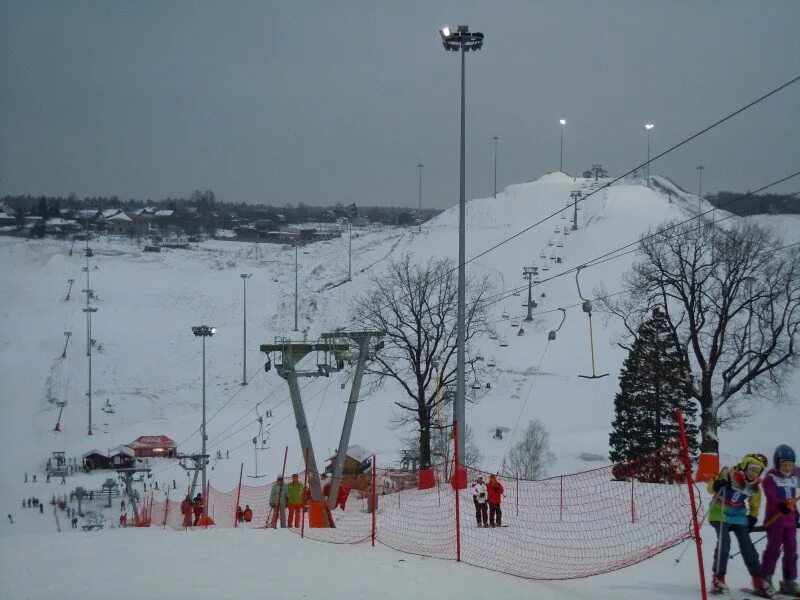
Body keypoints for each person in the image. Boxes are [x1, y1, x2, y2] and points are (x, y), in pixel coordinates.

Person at [709, 453, 775, 597]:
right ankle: (718, 579)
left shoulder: (754, 486)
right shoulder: (729, 474)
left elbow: (755, 502)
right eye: (752, 469)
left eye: (757, 471)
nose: (754, 474)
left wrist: (752, 516)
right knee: (724, 542)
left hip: (738, 514)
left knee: (747, 545)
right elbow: (711, 486)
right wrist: (716, 485)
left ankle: (758, 580)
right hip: (719, 510)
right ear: (744, 467)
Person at [761, 445, 798, 596]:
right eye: (784, 465)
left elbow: (792, 499)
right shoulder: (770, 478)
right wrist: (780, 506)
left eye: (790, 465)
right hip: (775, 520)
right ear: (777, 463)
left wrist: (796, 514)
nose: (787, 468)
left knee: (792, 551)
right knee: (773, 550)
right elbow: (772, 496)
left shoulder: (793, 477)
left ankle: (789, 581)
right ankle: (766, 578)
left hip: (790, 522)